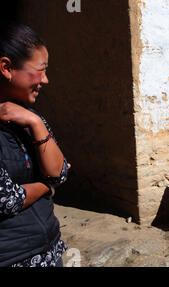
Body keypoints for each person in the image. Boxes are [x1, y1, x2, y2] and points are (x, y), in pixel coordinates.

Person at [0, 24, 70, 267]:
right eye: (40, 71)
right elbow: (7, 198)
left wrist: (35, 122)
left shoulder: (27, 117)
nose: (46, 80)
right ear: (6, 68)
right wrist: (44, 185)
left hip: (50, 249)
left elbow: (60, 173)